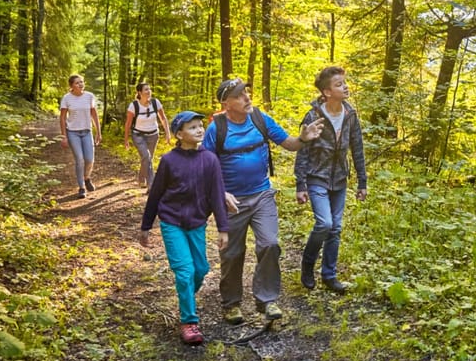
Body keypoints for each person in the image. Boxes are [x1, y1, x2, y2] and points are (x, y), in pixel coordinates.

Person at [202, 77, 324, 324]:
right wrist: (220, 194)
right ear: (226, 103)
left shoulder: (259, 118)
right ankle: (231, 304)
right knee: (232, 253)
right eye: (239, 95)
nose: (247, 97)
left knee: (269, 244)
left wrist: (303, 138)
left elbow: (288, 144)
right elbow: (206, 166)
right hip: (231, 201)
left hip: (262, 195)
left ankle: (267, 300)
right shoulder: (216, 129)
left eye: (246, 92)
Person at [139, 111, 230, 346]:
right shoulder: (169, 160)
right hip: (172, 223)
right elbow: (156, 194)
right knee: (185, 272)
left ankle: (185, 294)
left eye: (200, 126)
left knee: (200, 269)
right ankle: (189, 321)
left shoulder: (210, 160)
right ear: (179, 134)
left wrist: (223, 228)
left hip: (197, 223)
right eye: (192, 127)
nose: (199, 130)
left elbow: (217, 195)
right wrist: (146, 226)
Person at [295, 66, 367, 294]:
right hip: (317, 176)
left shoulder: (350, 114)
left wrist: (362, 182)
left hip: (340, 179)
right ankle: (307, 265)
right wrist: (300, 184)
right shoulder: (314, 116)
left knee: (335, 228)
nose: (345, 87)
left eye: (344, 83)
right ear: (326, 92)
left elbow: (357, 148)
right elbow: (303, 150)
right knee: (324, 223)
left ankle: (329, 275)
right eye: (339, 84)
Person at [59, 74, 102, 199]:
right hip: (72, 132)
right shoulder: (67, 98)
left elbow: (94, 115)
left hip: (87, 131)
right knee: (80, 159)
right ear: (72, 85)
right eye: (78, 83)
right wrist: (64, 136)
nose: (81, 84)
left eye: (82, 82)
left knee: (89, 159)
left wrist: (98, 132)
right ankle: (82, 187)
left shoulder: (89, 96)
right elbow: (62, 118)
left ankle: (87, 177)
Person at [123, 82, 172, 189]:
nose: (149, 91)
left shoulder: (156, 103)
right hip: (138, 135)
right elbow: (128, 124)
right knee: (146, 156)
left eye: (149, 89)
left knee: (148, 158)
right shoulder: (134, 106)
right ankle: (152, 185)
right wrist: (126, 139)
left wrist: (168, 133)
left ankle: (141, 178)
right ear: (139, 92)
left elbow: (163, 118)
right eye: (146, 89)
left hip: (153, 135)